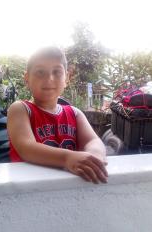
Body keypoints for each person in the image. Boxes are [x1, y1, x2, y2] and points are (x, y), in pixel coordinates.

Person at [7, 46, 108, 184]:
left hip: (67, 189)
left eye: (57, 72)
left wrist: (94, 155)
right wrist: (67, 159)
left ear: (67, 78)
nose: (49, 78)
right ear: (26, 79)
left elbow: (93, 140)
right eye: (40, 72)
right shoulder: (20, 109)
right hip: (28, 190)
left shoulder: (75, 113)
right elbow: (26, 147)